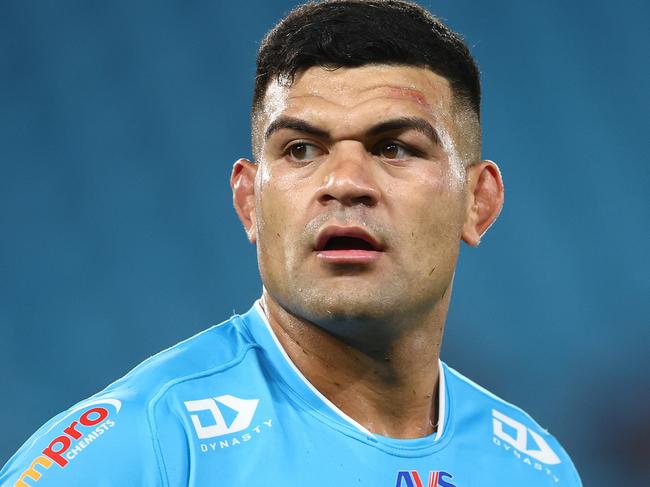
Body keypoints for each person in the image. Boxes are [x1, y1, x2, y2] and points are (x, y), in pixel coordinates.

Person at [1, 1, 582, 485]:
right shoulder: (144, 446)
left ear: (478, 201)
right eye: (301, 149)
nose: (345, 182)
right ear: (249, 201)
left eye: (394, 147)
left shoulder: (537, 467)